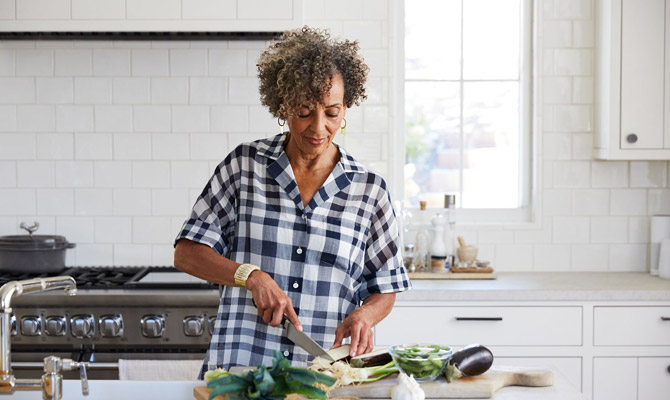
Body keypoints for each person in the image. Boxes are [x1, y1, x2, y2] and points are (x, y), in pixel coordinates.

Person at [174, 26, 410, 376]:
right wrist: (250, 275)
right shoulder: (245, 166)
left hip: (322, 375)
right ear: (283, 106)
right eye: (304, 111)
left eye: (331, 112)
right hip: (241, 369)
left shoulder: (369, 191)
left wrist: (365, 315)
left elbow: (385, 288)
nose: (318, 127)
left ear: (346, 108)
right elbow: (187, 253)